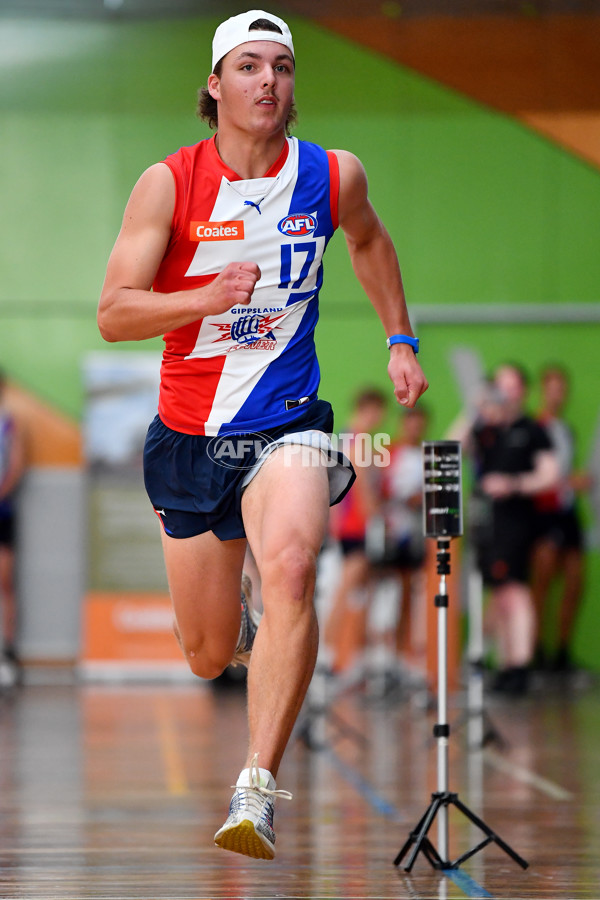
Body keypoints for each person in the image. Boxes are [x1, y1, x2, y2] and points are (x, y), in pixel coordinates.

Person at [98, 9, 427, 860]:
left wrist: (400, 340)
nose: (268, 81)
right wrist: (202, 299)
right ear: (215, 85)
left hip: (288, 424)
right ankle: (240, 630)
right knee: (208, 655)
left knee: (289, 566)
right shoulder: (168, 184)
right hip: (189, 435)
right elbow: (115, 313)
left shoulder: (331, 174)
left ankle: (257, 787)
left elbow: (371, 242)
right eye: (248, 66)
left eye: (281, 66)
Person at [469, 364, 558, 696]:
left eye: (510, 385)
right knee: (500, 594)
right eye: (498, 385)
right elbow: (448, 447)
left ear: (522, 390)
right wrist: (473, 410)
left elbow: (551, 473)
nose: (503, 392)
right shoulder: (486, 428)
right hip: (488, 523)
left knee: (513, 590)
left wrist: (514, 483)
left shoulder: (532, 429)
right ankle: (507, 664)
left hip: (517, 521)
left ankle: (519, 666)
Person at [530, 365, 590, 675]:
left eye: (561, 388)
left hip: (568, 514)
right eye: (552, 387)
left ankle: (562, 654)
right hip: (544, 513)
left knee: (575, 581)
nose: (557, 394)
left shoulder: (565, 429)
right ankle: (536, 651)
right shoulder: (535, 427)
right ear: (544, 390)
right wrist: (567, 482)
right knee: (541, 583)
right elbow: (536, 476)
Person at [324, 387, 387, 676]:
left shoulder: (345, 436)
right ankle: (328, 652)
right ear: (369, 409)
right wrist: (377, 519)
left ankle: (352, 655)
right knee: (347, 588)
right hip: (356, 524)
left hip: (348, 523)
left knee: (358, 591)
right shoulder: (358, 438)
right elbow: (360, 484)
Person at [0, 370, 25, 676]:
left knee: (5, 582)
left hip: (3, 509)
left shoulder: (10, 423)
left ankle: (8, 649)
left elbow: (17, 464)